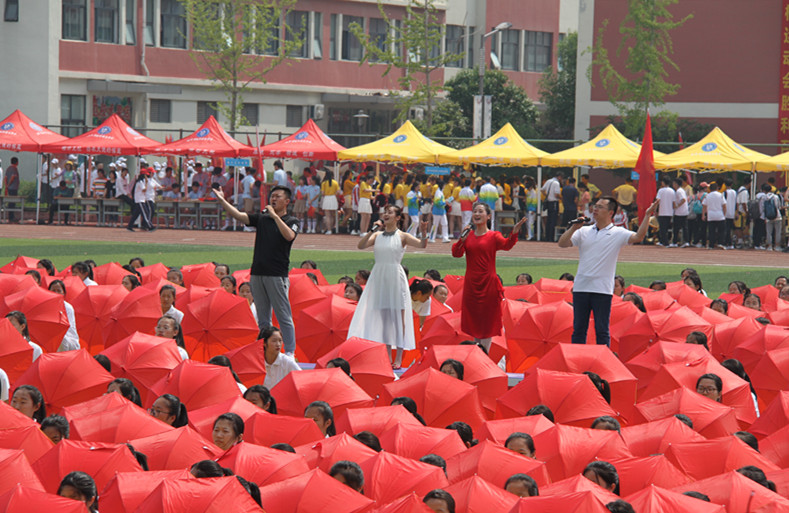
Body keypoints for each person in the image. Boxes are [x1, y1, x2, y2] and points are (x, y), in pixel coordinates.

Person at [559, 197, 658, 346]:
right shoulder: (584, 231)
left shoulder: (618, 232)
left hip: (602, 289)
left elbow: (638, 236)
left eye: (600, 207)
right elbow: (562, 243)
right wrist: (573, 228)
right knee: (579, 329)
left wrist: (647, 215)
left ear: (611, 212)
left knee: (602, 330)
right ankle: (576, 360)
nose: (595, 209)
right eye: (595, 206)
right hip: (581, 287)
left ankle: (602, 363)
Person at [213, 185, 299, 355]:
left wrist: (275, 217)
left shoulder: (291, 221)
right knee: (263, 317)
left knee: (283, 316)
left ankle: (289, 352)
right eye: (272, 196)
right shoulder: (262, 218)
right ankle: (264, 348)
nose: (273, 199)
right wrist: (223, 200)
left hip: (276, 274)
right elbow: (239, 216)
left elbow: (289, 236)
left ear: (287, 201)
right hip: (257, 273)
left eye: (277, 196)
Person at [348, 205, 427, 368]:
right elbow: (361, 245)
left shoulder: (403, 236)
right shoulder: (377, 235)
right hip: (379, 277)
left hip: (395, 277)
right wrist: (372, 229)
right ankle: (385, 354)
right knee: (384, 319)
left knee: (398, 318)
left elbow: (422, 245)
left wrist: (424, 231)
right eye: (385, 212)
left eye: (390, 212)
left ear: (398, 217)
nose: (386, 214)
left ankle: (398, 357)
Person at [452, 203, 526, 351]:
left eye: (480, 211)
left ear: (488, 216)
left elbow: (507, 245)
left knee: (487, 322)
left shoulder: (493, 236)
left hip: (488, 284)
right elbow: (456, 253)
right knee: (474, 321)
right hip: (472, 284)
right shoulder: (468, 236)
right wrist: (462, 238)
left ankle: (484, 355)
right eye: (475, 211)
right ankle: (477, 353)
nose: (477, 214)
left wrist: (515, 231)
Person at [47, 279, 80, 351]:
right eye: (53, 290)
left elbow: (67, 328)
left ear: (64, 293)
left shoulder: (68, 308)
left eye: (59, 290)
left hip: (69, 339)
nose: (56, 293)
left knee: (61, 339)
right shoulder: (46, 307)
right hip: (51, 339)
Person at [702, 182, 727, 249]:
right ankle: (720, 243)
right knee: (721, 231)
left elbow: (704, 205)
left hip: (711, 215)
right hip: (720, 215)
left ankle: (711, 244)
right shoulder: (720, 195)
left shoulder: (707, 196)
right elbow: (724, 205)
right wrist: (724, 214)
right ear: (717, 188)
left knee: (711, 231)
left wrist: (703, 215)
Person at [541, 172, 562, 241]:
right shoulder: (556, 183)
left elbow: (542, 190)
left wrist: (547, 195)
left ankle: (547, 236)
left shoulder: (548, 181)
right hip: (554, 203)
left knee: (549, 220)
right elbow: (556, 195)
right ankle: (551, 237)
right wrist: (562, 198)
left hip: (548, 202)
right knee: (553, 220)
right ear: (559, 177)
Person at [655, 177, 675, 247]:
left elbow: (657, 201)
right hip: (669, 212)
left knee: (662, 228)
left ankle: (665, 242)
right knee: (666, 228)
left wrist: (655, 210)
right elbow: (673, 202)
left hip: (662, 211)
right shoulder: (672, 191)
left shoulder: (660, 190)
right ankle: (662, 241)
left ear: (663, 182)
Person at [672, 178, 689, 247]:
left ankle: (675, 242)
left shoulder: (679, 191)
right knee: (684, 227)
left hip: (680, 212)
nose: (673, 185)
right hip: (683, 212)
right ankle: (686, 241)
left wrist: (677, 206)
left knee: (676, 228)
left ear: (676, 184)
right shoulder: (681, 190)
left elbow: (683, 199)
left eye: (673, 183)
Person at [4, 157, 19, 222]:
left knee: (10, 202)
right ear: (17, 162)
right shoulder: (14, 169)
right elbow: (12, 177)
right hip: (13, 188)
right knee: (12, 203)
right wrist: (9, 184)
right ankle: (11, 217)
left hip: (10, 188)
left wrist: (6, 185)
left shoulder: (8, 168)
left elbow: (5, 177)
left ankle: (11, 216)